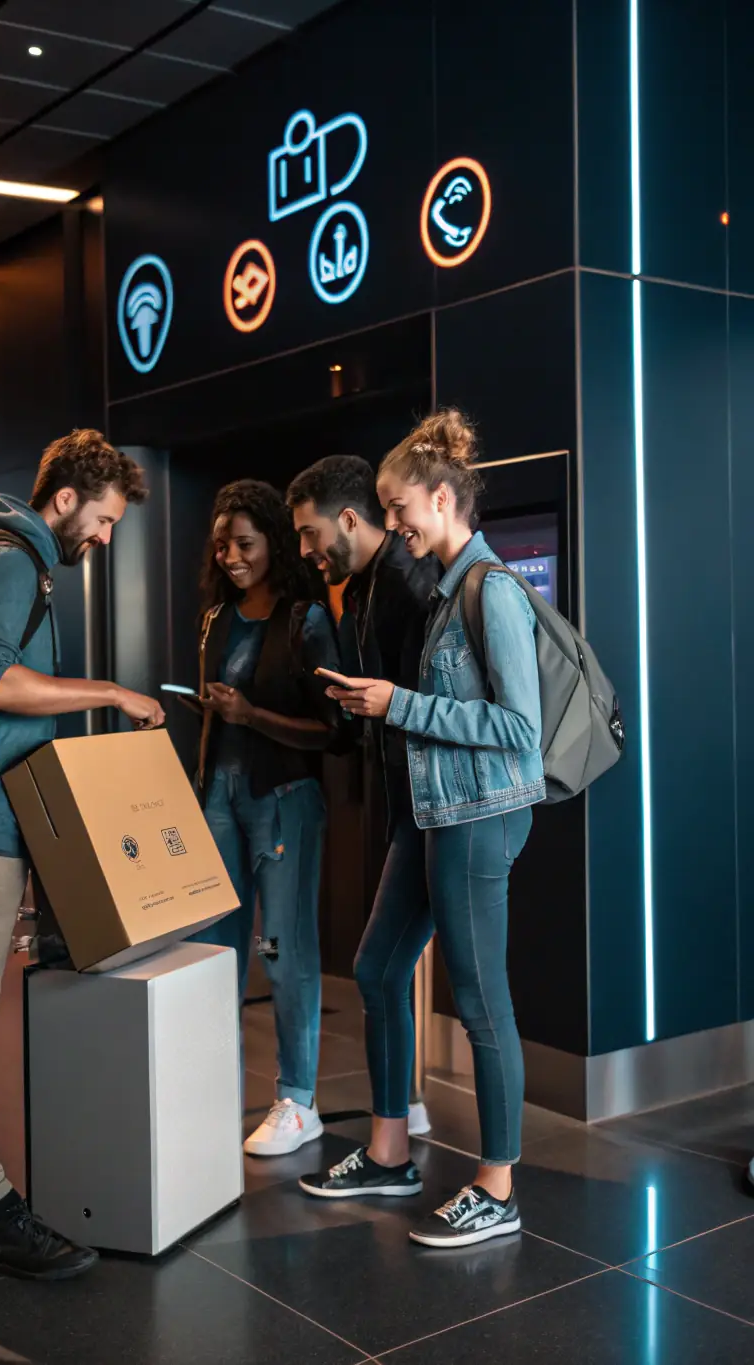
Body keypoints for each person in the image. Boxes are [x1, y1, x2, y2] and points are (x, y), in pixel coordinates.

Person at [0, 430, 165, 1281]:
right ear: (65, 499)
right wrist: (110, 692)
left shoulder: (7, 557)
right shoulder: (13, 563)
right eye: (107, 518)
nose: (106, 536)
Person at [299, 410, 544, 1250]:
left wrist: (396, 703)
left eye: (400, 507)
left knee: (480, 1003)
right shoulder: (445, 588)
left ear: (442, 498)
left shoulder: (492, 589)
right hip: (437, 813)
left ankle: (498, 1186)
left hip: (478, 817)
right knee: (377, 967)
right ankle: (392, 1150)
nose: (393, 523)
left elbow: (520, 729)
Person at [189, 480, 341, 1157]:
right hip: (218, 796)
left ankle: (298, 1099)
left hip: (284, 798)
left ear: (274, 542)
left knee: (284, 952)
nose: (230, 556)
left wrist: (250, 714)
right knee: (215, 952)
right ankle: (208, 1086)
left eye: (243, 544)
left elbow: (330, 729)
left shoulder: (305, 620)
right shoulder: (215, 620)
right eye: (222, 545)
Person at [287, 456, 437, 1135]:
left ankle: (406, 1145)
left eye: (309, 532)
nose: (305, 550)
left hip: (436, 813)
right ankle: (394, 1137)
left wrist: (380, 705)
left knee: (394, 972)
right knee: (381, 970)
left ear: (349, 518)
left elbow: (434, 702)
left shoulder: (405, 583)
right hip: (411, 811)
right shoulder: (371, 586)